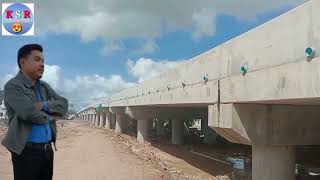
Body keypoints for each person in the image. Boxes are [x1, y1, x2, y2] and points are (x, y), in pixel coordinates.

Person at [1, 44, 68, 180]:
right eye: (37, 60)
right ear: (23, 62)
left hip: (47, 150)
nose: (42, 64)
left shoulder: (44, 86)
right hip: (26, 151)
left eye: (43, 61)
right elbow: (29, 113)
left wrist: (43, 105)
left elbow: (64, 105)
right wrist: (53, 116)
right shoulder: (13, 86)